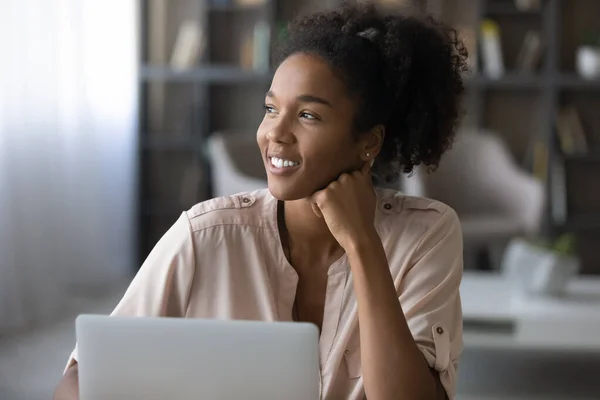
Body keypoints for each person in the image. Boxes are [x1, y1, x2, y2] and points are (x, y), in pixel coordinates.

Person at [54, 2, 467, 399]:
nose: (275, 133)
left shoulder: (425, 234)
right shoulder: (207, 234)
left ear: (369, 142)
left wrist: (362, 243)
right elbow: (80, 379)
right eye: (271, 109)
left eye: (308, 115)